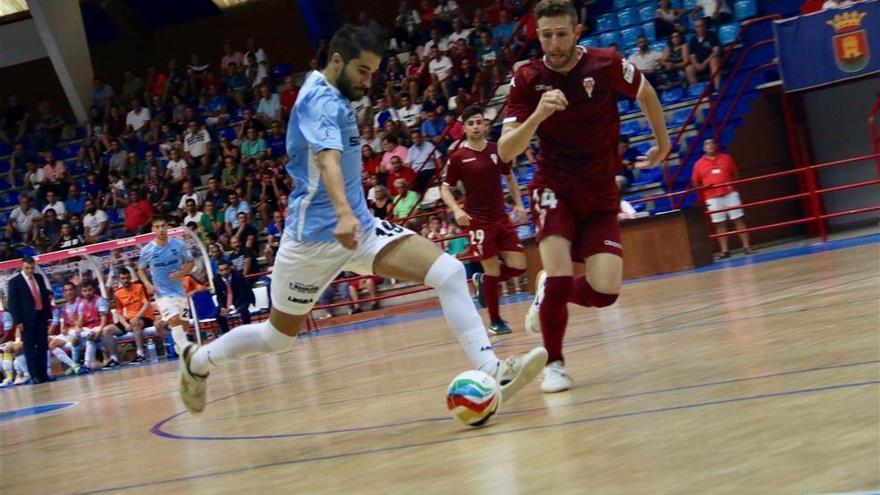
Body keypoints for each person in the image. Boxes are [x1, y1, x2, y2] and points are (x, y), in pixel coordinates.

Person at [177, 25, 547, 415]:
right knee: (278, 337)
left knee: (450, 272)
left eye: (373, 72)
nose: (369, 81)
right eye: (363, 71)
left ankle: (493, 369)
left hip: (362, 230)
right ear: (337, 60)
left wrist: (352, 216)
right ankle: (197, 363)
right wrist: (341, 212)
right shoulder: (317, 100)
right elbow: (328, 159)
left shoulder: (338, 94)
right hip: (314, 241)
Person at [498, 0, 670, 393]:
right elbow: (506, 151)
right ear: (536, 35)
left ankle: (546, 295)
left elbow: (647, 93)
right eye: (546, 35)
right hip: (553, 185)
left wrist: (662, 144)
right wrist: (537, 115)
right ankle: (554, 364)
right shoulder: (527, 78)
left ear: (577, 32)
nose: (553, 43)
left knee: (605, 292)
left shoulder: (605, 63)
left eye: (561, 34)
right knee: (559, 275)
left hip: (599, 188)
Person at [441, 106, 527, 335]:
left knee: (519, 266)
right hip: (478, 220)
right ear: (465, 128)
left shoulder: (497, 150)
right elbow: (445, 189)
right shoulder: (458, 157)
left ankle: (482, 281)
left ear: (485, 124)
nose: (476, 127)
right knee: (493, 270)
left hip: (501, 216)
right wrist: (456, 210)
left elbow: (510, 178)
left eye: (479, 122)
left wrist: (518, 204)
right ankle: (496, 321)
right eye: (471, 123)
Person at [137, 216, 196, 356]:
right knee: (174, 319)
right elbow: (140, 269)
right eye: (157, 227)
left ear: (167, 227)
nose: (161, 229)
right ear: (153, 230)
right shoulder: (147, 250)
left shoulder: (178, 244)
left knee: (185, 325)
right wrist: (147, 284)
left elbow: (190, 262)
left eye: (163, 226)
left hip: (180, 292)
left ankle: (178, 346)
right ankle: (186, 350)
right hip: (162, 294)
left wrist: (182, 273)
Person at [690, 138, 753, 260]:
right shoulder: (698, 164)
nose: (710, 146)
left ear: (716, 145)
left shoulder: (726, 158)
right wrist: (707, 189)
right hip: (712, 197)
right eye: (707, 144)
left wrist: (730, 184)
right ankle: (725, 251)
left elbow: (735, 174)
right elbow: (695, 182)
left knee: (738, 220)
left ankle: (747, 247)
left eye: (712, 143)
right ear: (703, 148)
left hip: (730, 193)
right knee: (719, 223)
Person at [103, 269, 167, 365]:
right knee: (107, 330)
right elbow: (119, 312)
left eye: (128, 277)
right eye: (123, 278)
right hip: (129, 320)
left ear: (131, 277)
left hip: (145, 317)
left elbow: (146, 304)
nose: (126, 280)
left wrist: (137, 317)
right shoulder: (118, 293)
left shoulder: (139, 287)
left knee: (135, 322)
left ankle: (140, 354)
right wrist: (125, 324)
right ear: (120, 280)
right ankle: (114, 358)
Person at [6, 257, 54, 384]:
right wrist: (18, 321)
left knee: (43, 346)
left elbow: (44, 296)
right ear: (22, 266)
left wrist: (48, 316)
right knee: (29, 348)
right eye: (27, 268)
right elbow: (12, 304)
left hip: (40, 316)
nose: (30, 270)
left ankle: (44, 374)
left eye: (32, 267)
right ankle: (35, 375)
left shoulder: (38, 278)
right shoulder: (15, 282)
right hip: (26, 320)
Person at [213, 260, 255, 335]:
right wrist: (222, 307)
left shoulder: (238, 276)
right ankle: (226, 334)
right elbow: (219, 296)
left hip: (242, 299)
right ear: (218, 271)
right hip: (228, 301)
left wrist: (231, 307)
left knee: (243, 310)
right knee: (217, 313)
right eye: (221, 270)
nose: (224, 272)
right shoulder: (216, 279)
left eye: (226, 269)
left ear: (230, 268)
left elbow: (243, 294)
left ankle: (248, 332)